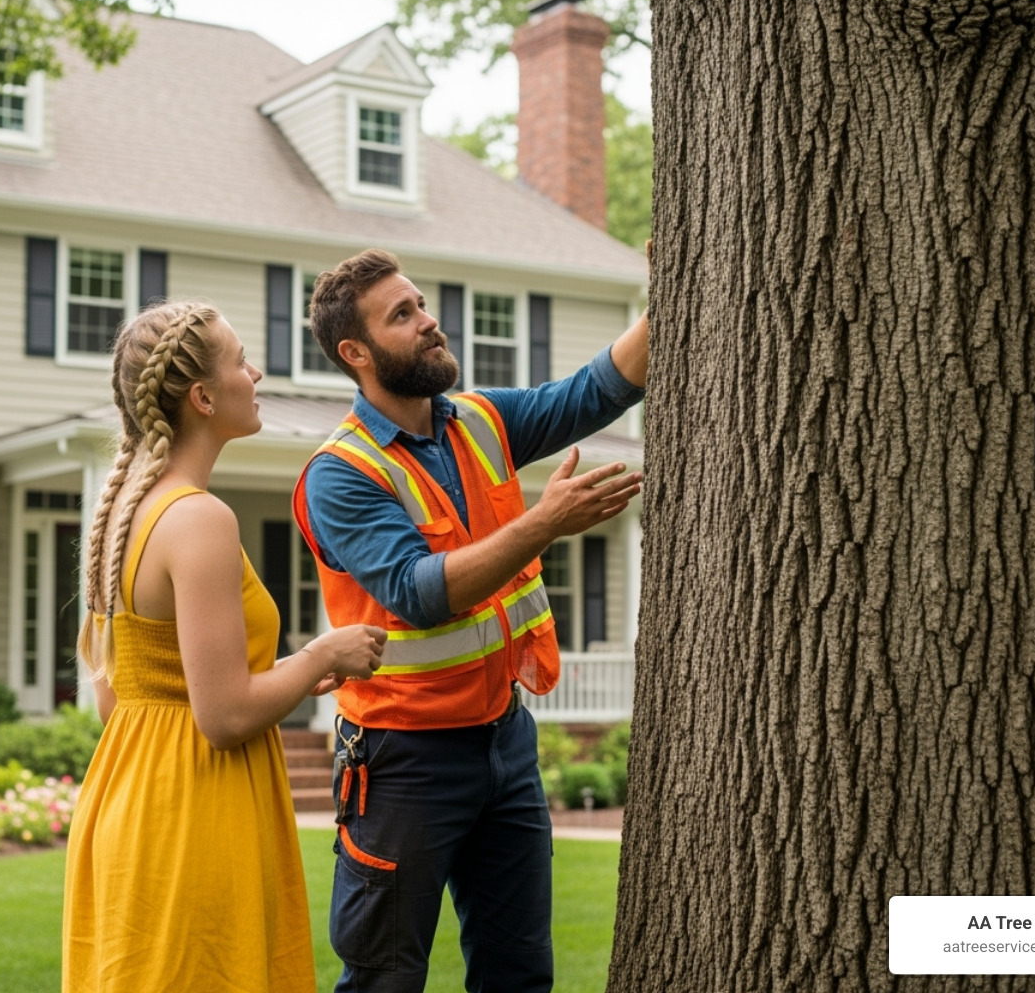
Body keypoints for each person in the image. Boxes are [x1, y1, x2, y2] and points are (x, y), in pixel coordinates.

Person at [293, 249, 648, 992]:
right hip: (402, 761)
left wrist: (672, 296)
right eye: (403, 315)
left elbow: (595, 390)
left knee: (519, 974)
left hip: (504, 742)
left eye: (421, 304)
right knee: (386, 980)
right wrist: (544, 523)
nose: (429, 322)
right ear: (356, 353)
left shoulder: (482, 421)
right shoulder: (339, 474)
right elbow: (418, 591)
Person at [62, 300, 387, 993]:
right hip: (196, 819)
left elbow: (123, 698)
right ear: (203, 398)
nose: (257, 373)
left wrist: (286, 675)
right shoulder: (198, 518)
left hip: (127, 806)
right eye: (241, 362)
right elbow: (224, 716)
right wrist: (323, 655)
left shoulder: (122, 514)